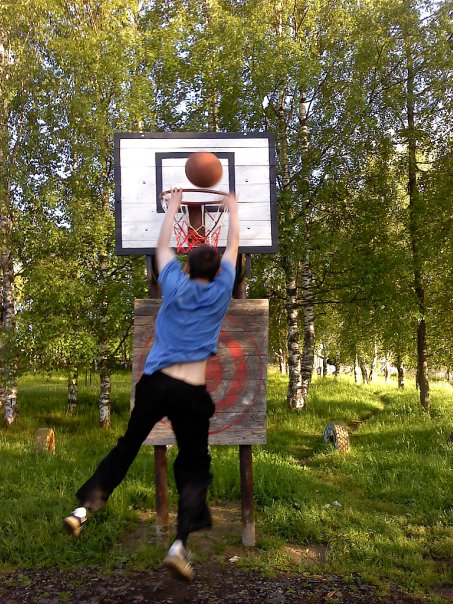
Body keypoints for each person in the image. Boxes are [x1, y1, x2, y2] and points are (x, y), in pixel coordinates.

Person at [64, 188, 239, 582]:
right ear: (217, 273)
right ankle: (179, 544)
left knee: (127, 446)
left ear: (185, 265)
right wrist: (231, 209)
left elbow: (162, 247)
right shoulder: (221, 291)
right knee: (193, 465)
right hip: (190, 393)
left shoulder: (173, 285)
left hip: (155, 385)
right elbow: (233, 248)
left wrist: (173, 208)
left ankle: (82, 510)